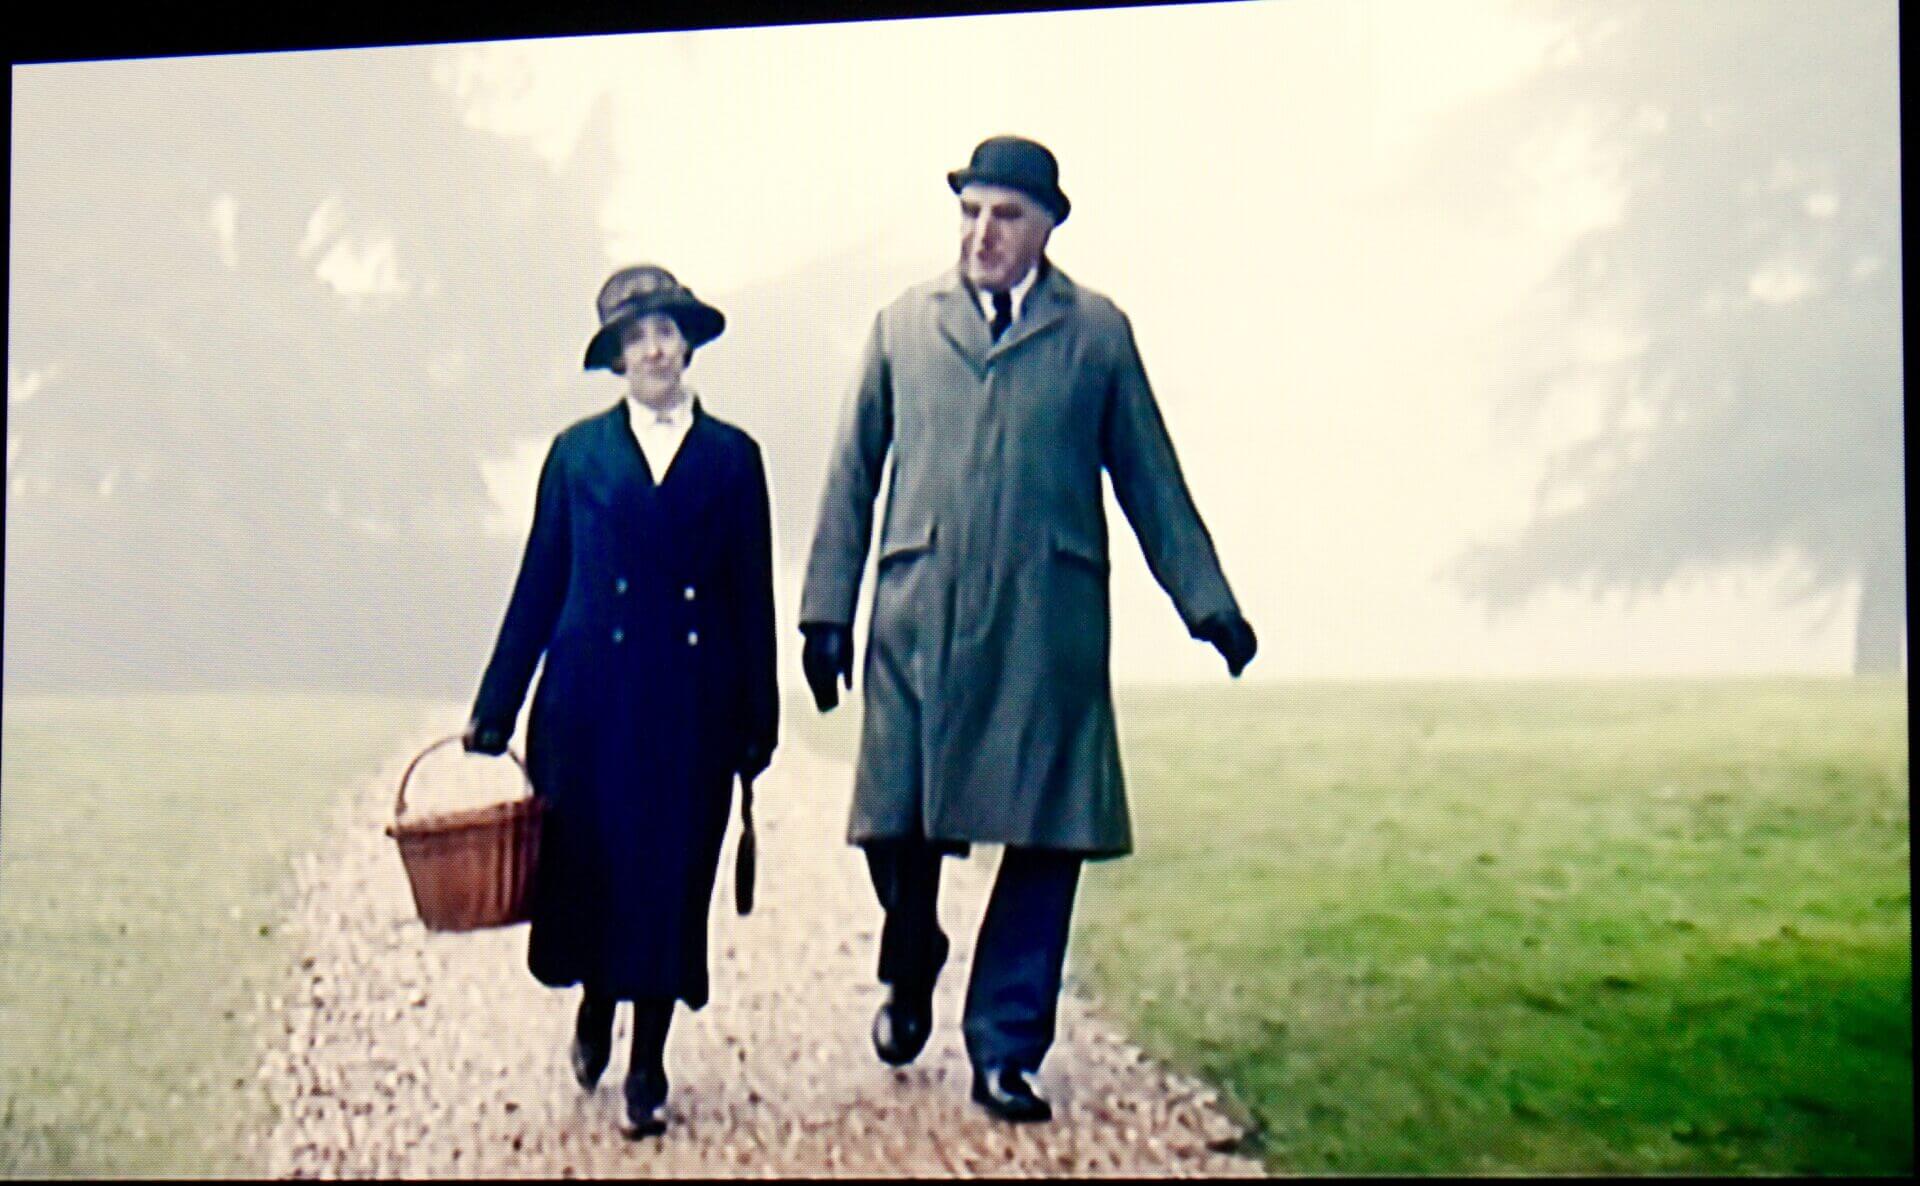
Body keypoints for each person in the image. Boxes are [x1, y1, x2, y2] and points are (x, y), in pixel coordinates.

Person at [799, 136, 1258, 1123]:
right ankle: (911, 952)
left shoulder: (1096, 334)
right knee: (896, 823)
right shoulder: (902, 326)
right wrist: (826, 612)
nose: (982, 234)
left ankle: (1007, 1047)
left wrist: (1208, 602)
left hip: (1048, 625)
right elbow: (850, 471)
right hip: (919, 619)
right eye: (969, 212)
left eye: (1005, 216)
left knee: (1049, 834)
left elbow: (1150, 477)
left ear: (1047, 226)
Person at [463, 264, 778, 1139]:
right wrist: (496, 704)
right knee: (595, 872)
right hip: (588, 706)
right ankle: (596, 1004)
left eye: (666, 332)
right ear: (616, 358)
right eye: (636, 338)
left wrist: (759, 717)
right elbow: (540, 582)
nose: (654, 350)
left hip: (690, 707)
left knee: (672, 878)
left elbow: (751, 595)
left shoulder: (734, 458)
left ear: (688, 345)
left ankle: (649, 1061)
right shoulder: (577, 455)